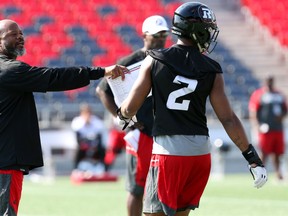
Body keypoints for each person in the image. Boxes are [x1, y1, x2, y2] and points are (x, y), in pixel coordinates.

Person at [117, 2, 268, 216]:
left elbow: (130, 107)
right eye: (206, 28)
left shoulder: (154, 60)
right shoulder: (212, 68)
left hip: (168, 154)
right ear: (195, 29)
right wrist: (252, 157)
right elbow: (228, 119)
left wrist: (121, 114)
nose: (209, 33)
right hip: (199, 156)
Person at [0, 19, 127, 216]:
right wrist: (101, 71)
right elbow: (54, 77)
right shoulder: (11, 70)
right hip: (6, 162)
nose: (20, 37)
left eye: (21, 33)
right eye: (13, 34)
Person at [96, 15, 169, 216]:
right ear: (145, 35)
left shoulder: (168, 59)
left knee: (163, 187)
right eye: (157, 35)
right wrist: (124, 121)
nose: (161, 39)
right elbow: (102, 90)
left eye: (164, 34)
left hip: (163, 133)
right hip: (142, 133)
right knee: (137, 188)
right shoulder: (131, 61)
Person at [249, 76, 287, 180]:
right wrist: (257, 125)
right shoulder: (259, 94)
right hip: (265, 128)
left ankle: (278, 173)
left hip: (278, 128)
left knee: (278, 152)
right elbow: (253, 111)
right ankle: (260, 172)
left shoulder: (279, 94)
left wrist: (282, 116)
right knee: (263, 152)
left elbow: (285, 109)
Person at [71, 103, 106, 172]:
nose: (87, 114)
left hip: (94, 145)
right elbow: (77, 138)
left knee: (102, 149)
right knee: (77, 150)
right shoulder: (77, 122)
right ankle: (76, 169)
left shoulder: (97, 122)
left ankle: (103, 167)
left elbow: (99, 137)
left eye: (88, 112)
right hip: (82, 146)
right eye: (85, 112)